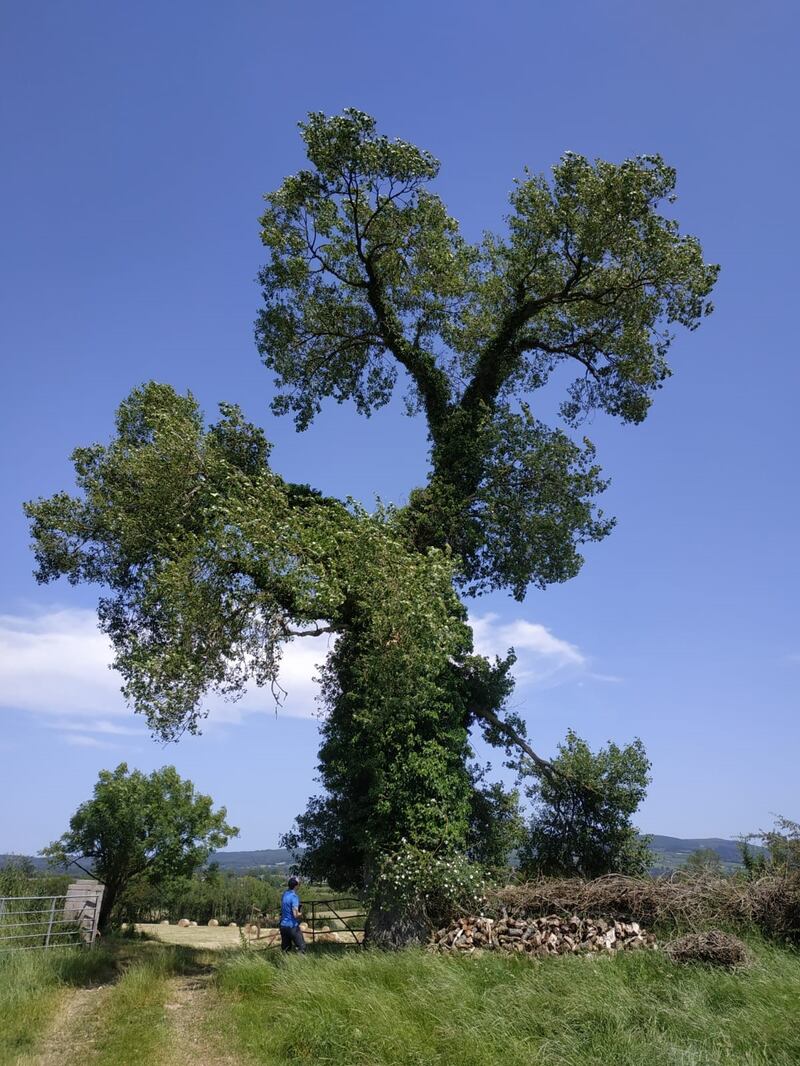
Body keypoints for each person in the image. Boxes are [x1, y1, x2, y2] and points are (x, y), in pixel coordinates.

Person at [279, 875, 306, 954]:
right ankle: (299, 965)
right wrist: (301, 914)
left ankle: (284, 964)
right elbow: (295, 914)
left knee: (286, 949)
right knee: (302, 947)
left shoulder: (285, 894)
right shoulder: (294, 897)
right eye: (299, 884)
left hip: (283, 926)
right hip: (292, 926)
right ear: (296, 886)